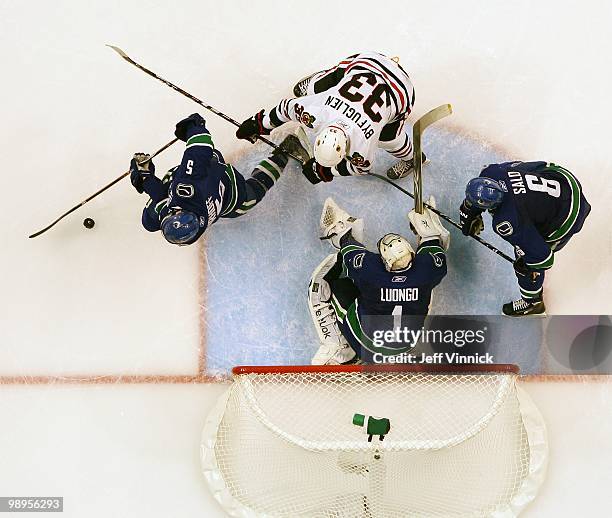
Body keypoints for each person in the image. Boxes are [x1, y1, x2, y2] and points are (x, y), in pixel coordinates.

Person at [235, 52, 421, 184]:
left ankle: (414, 158)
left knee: (390, 140)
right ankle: (412, 157)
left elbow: (361, 168)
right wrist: (324, 171)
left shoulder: (320, 117)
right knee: (312, 90)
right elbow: (286, 108)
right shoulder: (318, 115)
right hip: (376, 69)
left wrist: (260, 124)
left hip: (394, 85)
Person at [129, 113, 310, 245]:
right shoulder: (188, 223)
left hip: (214, 179)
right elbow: (201, 144)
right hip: (230, 192)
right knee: (251, 193)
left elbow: (161, 200)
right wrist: (194, 126)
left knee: (149, 221)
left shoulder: (185, 189)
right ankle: (284, 153)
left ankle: (284, 153)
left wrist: (145, 179)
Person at [308, 198, 449, 364]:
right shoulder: (428, 268)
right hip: (405, 345)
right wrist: (426, 229)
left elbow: (347, 246)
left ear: (385, 262)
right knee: (425, 286)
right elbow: (436, 247)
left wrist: (343, 232)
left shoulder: (370, 271)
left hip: (367, 347)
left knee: (327, 286)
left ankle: (341, 350)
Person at [459, 161, 591, 316]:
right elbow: (536, 166)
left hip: (567, 217)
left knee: (527, 262)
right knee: (530, 179)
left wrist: (527, 265)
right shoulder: (493, 172)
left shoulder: (507, 221)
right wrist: (469, 210)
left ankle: (533, 303)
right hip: (565, 182)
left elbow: (543, 257)